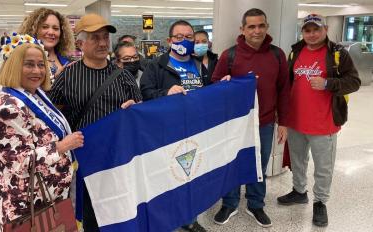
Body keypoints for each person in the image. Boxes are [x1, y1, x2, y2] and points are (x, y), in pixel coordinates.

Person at [49, 13, 142, 231]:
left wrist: (135, 109)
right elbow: (54, 117)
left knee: (120, 208)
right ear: (80, 43)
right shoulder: (67, 76)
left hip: (117, 158)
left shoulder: (123, 76)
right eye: (95, 37)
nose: (102, 43)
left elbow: (140, 114)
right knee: (90, 213)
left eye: (105, 38)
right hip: (84, 161)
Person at [0, 40, 84, 230]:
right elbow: (19, 162)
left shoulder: (34, 93)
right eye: (29, 64)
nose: (37, 71)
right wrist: (62, 146)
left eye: (41, 65)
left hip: (49, 196)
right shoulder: (8, 108)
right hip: (29, 205)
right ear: (14, 66)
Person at [277, 14, 360, 227]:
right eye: (307, 30)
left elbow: (354, 81)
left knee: (323, 167)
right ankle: (299, 191)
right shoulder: (295, 52)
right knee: (298, 160)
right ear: (302, 32)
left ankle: (320, 202)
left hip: (324, 123)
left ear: (326, 29)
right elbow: (288, 83)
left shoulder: (337, 53)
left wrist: (327, 84)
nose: (312, 34)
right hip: (296, 121)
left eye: (316, 29)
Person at [211, 8, 290, 228]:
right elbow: (216, 83)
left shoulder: (277, 55)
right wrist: (226, 83)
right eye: (251, 26)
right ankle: (230, 202)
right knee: (232, 163)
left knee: (259, 165)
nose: (257, 31)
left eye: (261, 25)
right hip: (236, 124)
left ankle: (255, 204)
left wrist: (283, 122)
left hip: (264, 123)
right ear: (242, 29)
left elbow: (284, 90)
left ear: (267, 27)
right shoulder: (230, 55)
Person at [140, 20, 208, 232]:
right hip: (166, 133)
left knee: (192, 176)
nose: (184, 40)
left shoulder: (200, 64)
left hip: (195, 131)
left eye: (189, 37)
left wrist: (222, 85)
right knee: (167, 178)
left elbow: (209, 92)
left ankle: (190, 218)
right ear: (169, 40)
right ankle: (166, 220)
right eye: (179, 37)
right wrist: (165, 94)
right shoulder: (156, 65)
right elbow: (146, 93)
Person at [19, 7, 75, 80]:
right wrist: (55, 80)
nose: (51, 32)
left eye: (55, 28)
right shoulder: (22, 59)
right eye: (45, 27)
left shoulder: (67, 60)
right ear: (34, 30)